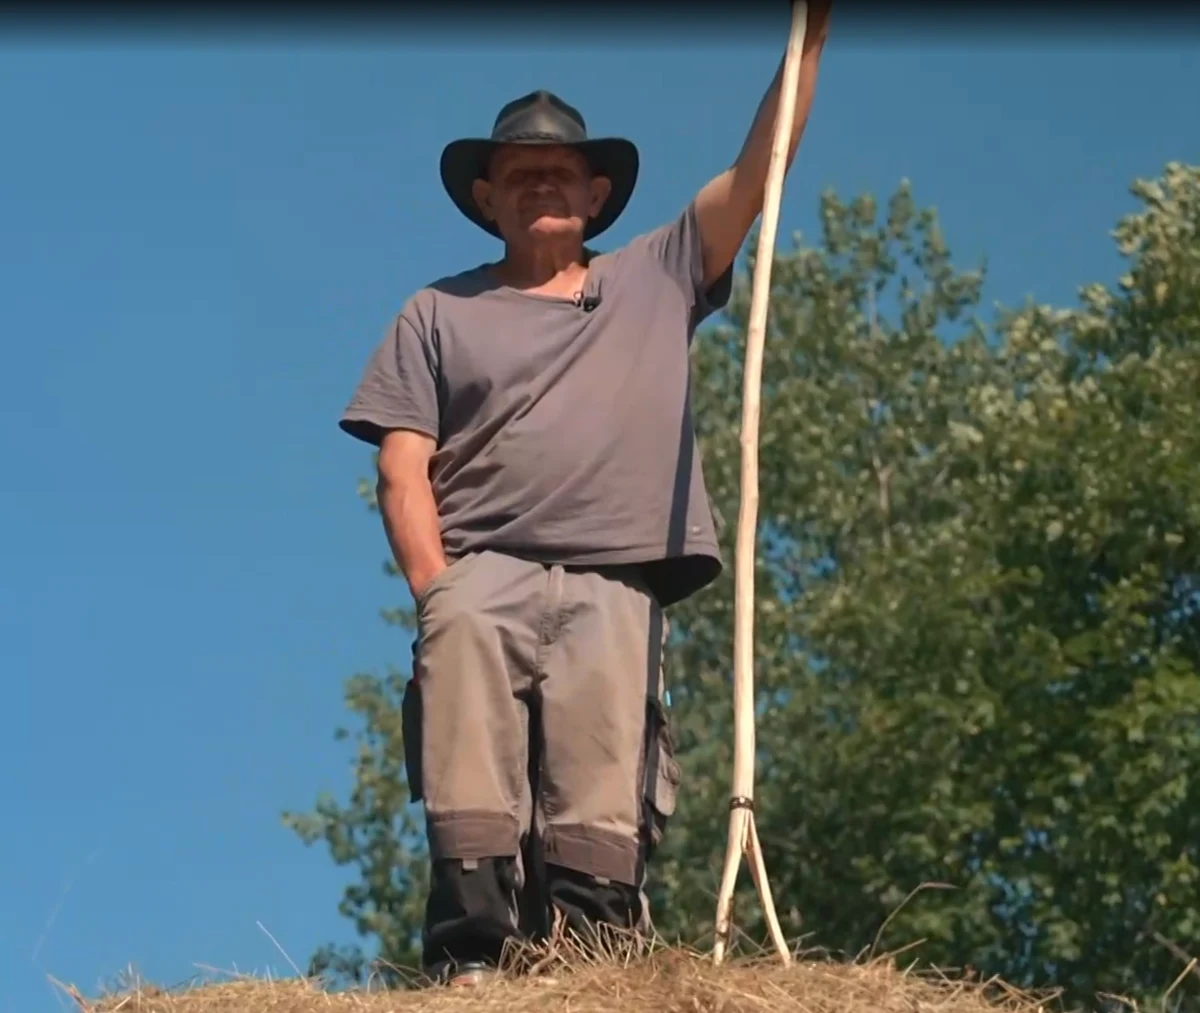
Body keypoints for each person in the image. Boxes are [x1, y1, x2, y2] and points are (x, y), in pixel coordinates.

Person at [338, 4, 830, 987]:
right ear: (488, 198)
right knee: (470, 762)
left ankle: (596, 972)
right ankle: (473, 959)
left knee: (604, 787)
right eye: (520, 174)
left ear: (597, 193)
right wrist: (440, 593)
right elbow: (402, 466)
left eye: (560, 172)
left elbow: (760, 166)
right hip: (480, 571)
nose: (542, 185)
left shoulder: (659, 272)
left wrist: (808, 41)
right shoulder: (437, 311)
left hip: (616, 579)